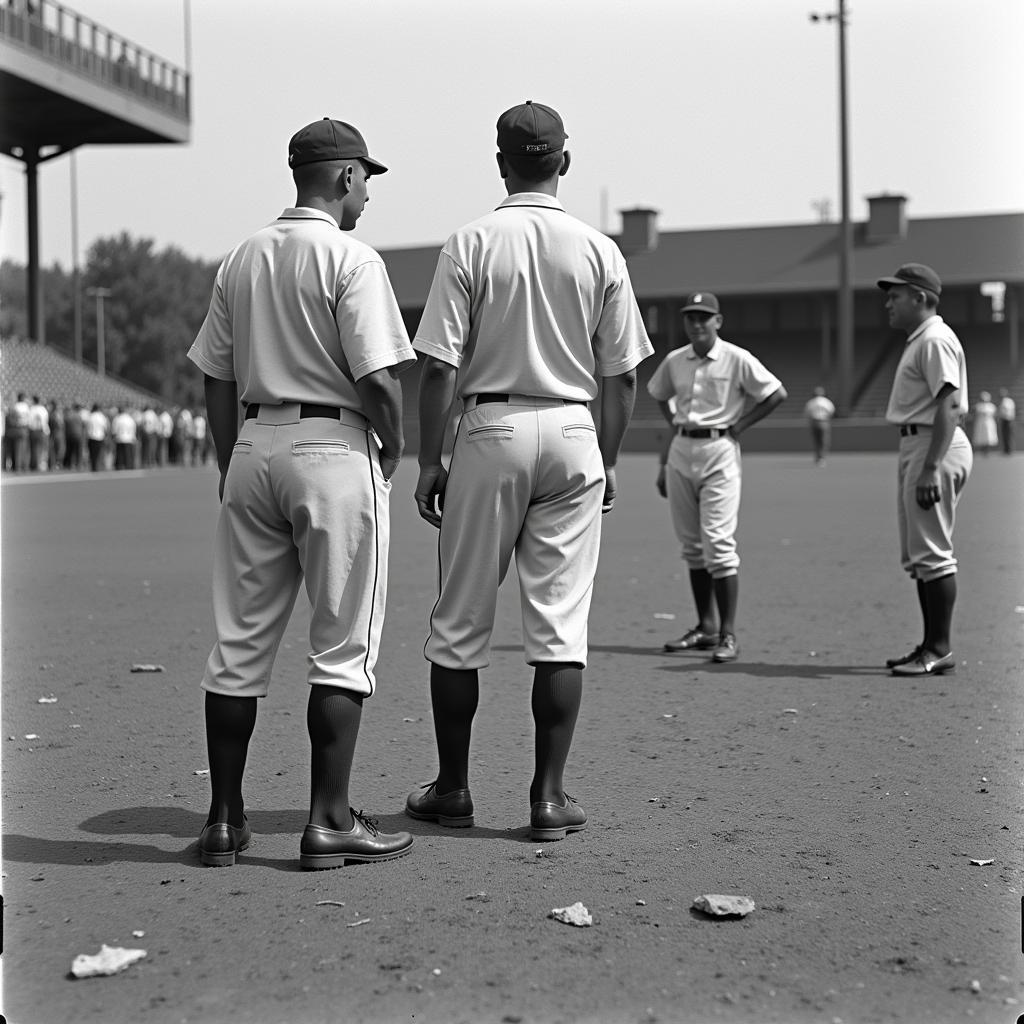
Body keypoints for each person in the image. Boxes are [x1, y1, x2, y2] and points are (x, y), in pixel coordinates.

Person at [406, 100, 653, 842]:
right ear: (565, 163)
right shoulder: (600, 248)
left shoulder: (472, 240)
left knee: (459, 624)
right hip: (575, 426)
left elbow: (437, 365)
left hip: (492, 424)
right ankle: (547, 798)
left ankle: (453, 787)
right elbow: (625, 376)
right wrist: (606, 459)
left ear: (500, 162)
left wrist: (429, 458)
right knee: (560, 626)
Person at [187, 116, 416, 869]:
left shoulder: (241, 257)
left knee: (239, 646)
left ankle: (224, 819)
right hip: (333, 448)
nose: (367, 195)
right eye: (366, 181)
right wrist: (394, 439)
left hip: (253, 444)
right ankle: (327, 821)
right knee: (343, 645)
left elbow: (216, 376)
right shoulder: (353, 257)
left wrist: (232, 460)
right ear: (346, 177)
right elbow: (378, 377)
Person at [650, 293, 786, 663]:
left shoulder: (736, 358)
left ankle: (728, 633)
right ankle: (706, 627)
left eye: (704, 317)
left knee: (718, 542)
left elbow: (776, 393)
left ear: (718, 321)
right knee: (692, 545)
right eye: (690, 317)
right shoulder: (675, 360)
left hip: (719, 450)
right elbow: (659, 394)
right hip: (681, 448)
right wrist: (665, 456)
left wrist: (740, 425)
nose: (696, 323)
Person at [879, 263, 972, 677]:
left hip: (933, 446)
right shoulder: (922, 338)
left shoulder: (933, 339)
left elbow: (949, 404)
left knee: (933, 553)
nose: (889, 302)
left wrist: (931, 467)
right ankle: (929, 645)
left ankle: (939, 648)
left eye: (896, 295)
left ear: (920, 297)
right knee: (921, 555)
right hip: (920, 443)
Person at [803, 385, 835, 465]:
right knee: (824, 441)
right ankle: (822, 457)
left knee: (817, 441)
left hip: (814, 422)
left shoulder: (811, 402)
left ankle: (818, 457)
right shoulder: (826, 401)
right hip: (824, 421)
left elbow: (807, 413)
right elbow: (831, 411)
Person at [970, 391, 998, 455]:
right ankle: (982, 449)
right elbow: (974, 413)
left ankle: (987, 450)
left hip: (989, 423)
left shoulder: (992, 406)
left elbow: (995, 415)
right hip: (980, 422)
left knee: (988, 436)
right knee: (981, 436)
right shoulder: (978, 406)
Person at [86, 403, 109, 472]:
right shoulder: (102, 416)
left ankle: (93, 468)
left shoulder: (90, 416)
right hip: (100, 437)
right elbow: (106, 428)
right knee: (99, 454)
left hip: (91, 437)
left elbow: (87, 427)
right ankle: (98, 467)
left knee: (92, 454)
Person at [997, 387, 1016, 455]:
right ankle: (1006, 449)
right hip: (1004, 420)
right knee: (1004, 435)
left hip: (1008, 420)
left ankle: (1009, 449)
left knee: (1009, 435)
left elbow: (1008, 411)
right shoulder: (1002, 401)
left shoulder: (1008, 401)